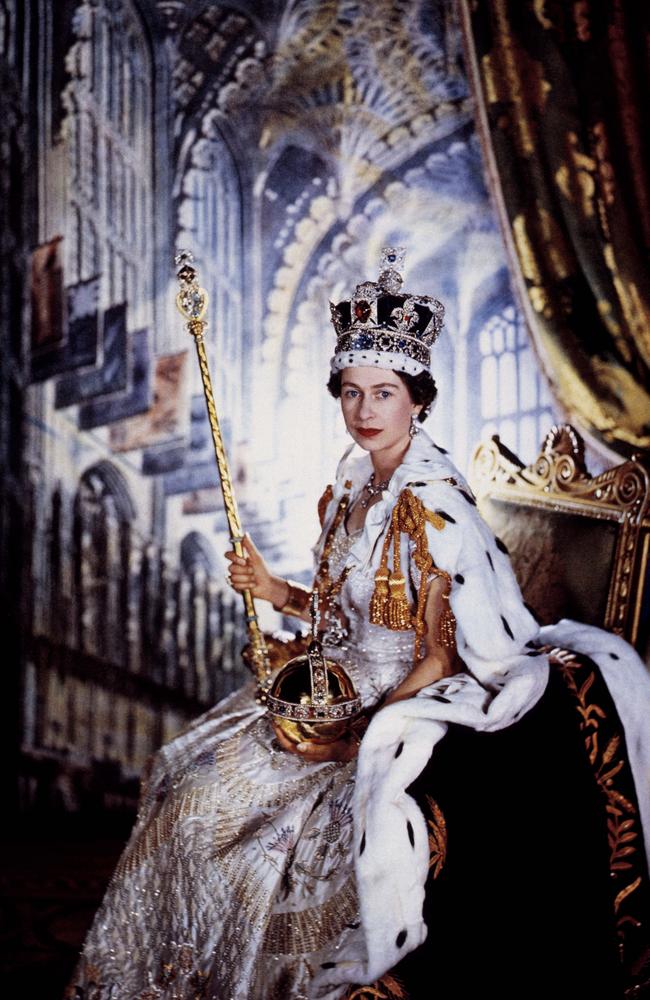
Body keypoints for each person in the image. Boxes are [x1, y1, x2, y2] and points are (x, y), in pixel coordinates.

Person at [67, 249, 650, 1000]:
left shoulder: (435, 508)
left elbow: (440, 654)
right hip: (332, 684)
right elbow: (344, 606)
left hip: (402, 699)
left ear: (417, 401)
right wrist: (275, 589)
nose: (365, 411)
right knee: (187, 776)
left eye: (383, 393)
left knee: (256, 841)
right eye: (351, 393)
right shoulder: (351, 486)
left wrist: (358, 727)